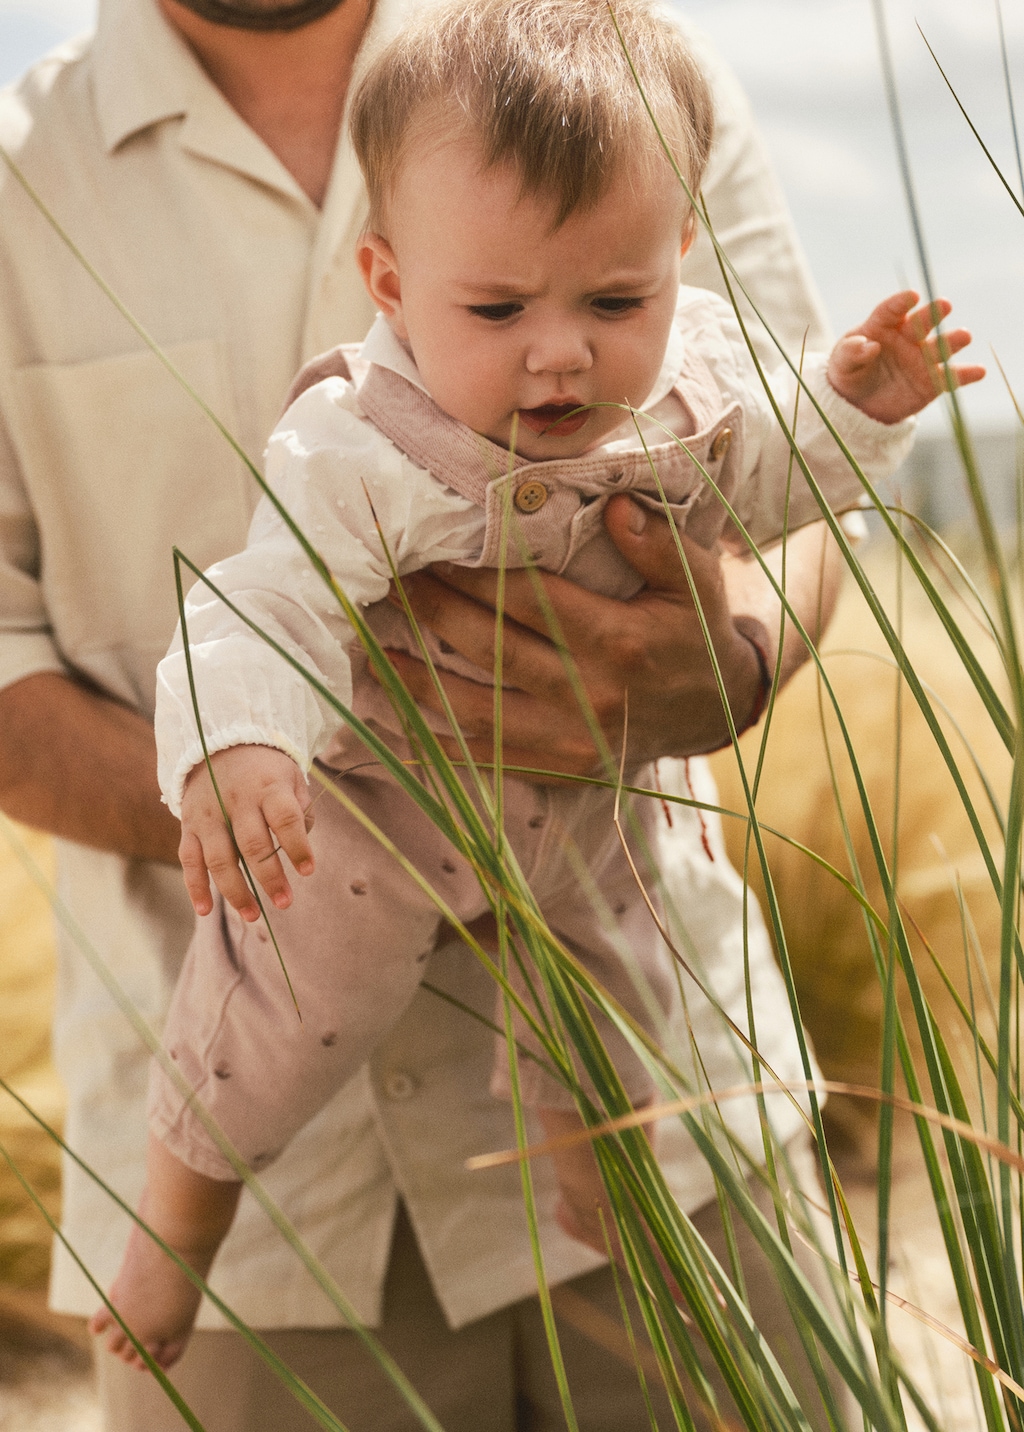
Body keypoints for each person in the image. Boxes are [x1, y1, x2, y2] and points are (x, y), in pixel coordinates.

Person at [0, 0, 959, 1425]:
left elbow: (778, 470)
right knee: (280, 1019)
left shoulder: (625, 67)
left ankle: (591, 1138)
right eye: (501, 310)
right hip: (294, 1216)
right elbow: (255, 602)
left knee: (601, 981)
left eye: (611, 308)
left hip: (686, 1115)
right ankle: (170, 1229)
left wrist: (743, 637)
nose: (558, 358)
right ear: (393, 283)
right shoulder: (36, 185)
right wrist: (254, 784)